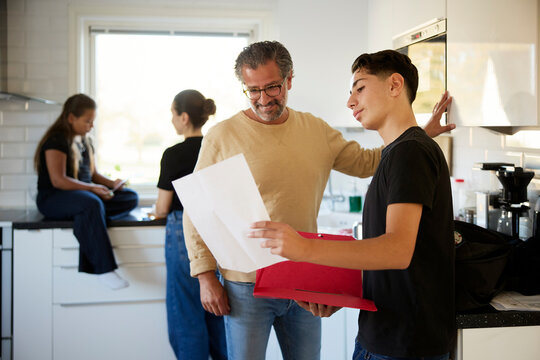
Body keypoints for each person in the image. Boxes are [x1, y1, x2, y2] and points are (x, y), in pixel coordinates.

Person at [183, 41, 454, 360]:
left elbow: (369, 162)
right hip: (246, 283)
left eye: (272, 87)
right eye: (252, 90)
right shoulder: (222, 136)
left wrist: (419, 134)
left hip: (304, 277)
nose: (263, 99)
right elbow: (198, 208)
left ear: (289, 80)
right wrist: (204, 276)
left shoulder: (315, 130)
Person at [34, 93, 138, 290]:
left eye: (93, 121)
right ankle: (104, 269)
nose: (91, 126)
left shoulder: (85, 142)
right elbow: (59, 180)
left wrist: (111, 184)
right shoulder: (56, 140)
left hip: (83, 196)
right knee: (91, 202)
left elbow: (93, 175)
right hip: (54, 197)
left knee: (131, 198)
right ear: (71, 117)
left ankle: (91, 217)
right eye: (87, 121)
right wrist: (92, 189)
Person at [153, 90, 227, 360]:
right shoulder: (217, 147)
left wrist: (154, 213)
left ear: (184, 117)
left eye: (173, 114)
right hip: (218, 234)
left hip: (183, 234)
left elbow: (162, 208)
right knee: (219, 311)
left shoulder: (173, 154)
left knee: (186, 316)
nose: (172, 120)